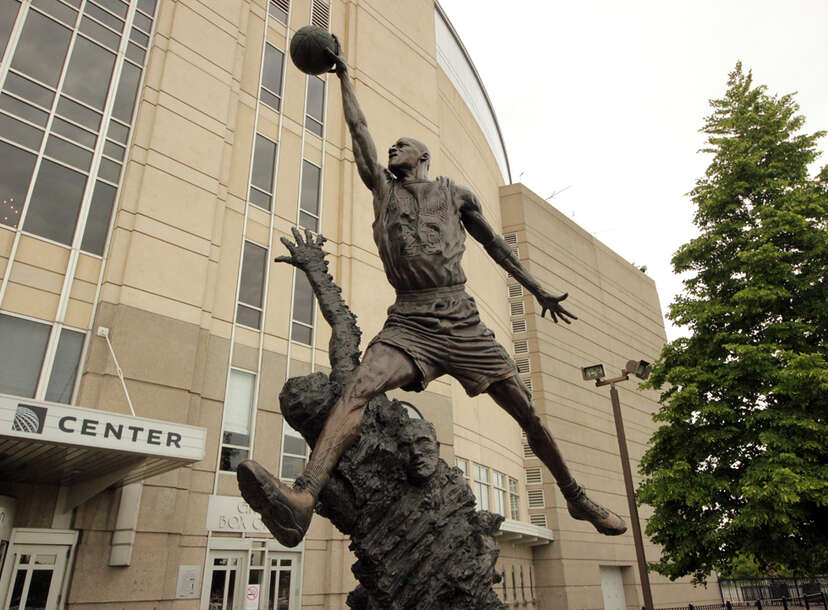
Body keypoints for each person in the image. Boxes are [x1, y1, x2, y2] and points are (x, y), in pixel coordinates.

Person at [237, 49, 627, 547]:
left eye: (402, 146)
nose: (392, 149)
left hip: (461, 319)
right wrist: (344, 78)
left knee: (526, 414)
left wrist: (537, 288)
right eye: (392, 146)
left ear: (422, 157)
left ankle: (575, 496)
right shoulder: (383, 188)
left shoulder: (456, 195)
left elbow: (493, 245)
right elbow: (360, 136)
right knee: (357, 389)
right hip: (410, 323)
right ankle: (303, 499)